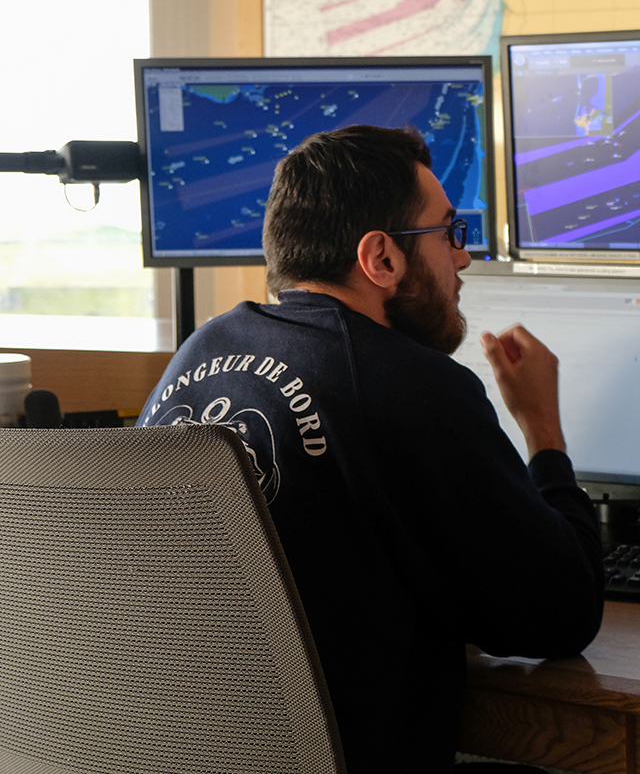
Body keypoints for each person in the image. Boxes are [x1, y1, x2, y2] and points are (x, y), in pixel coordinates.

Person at [136, 125, 604, 772]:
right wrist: (544, 434)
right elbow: (560, 615)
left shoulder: (200, 350)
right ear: (382, 258)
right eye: (448, 233)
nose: (462, 260)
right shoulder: (411, 385)